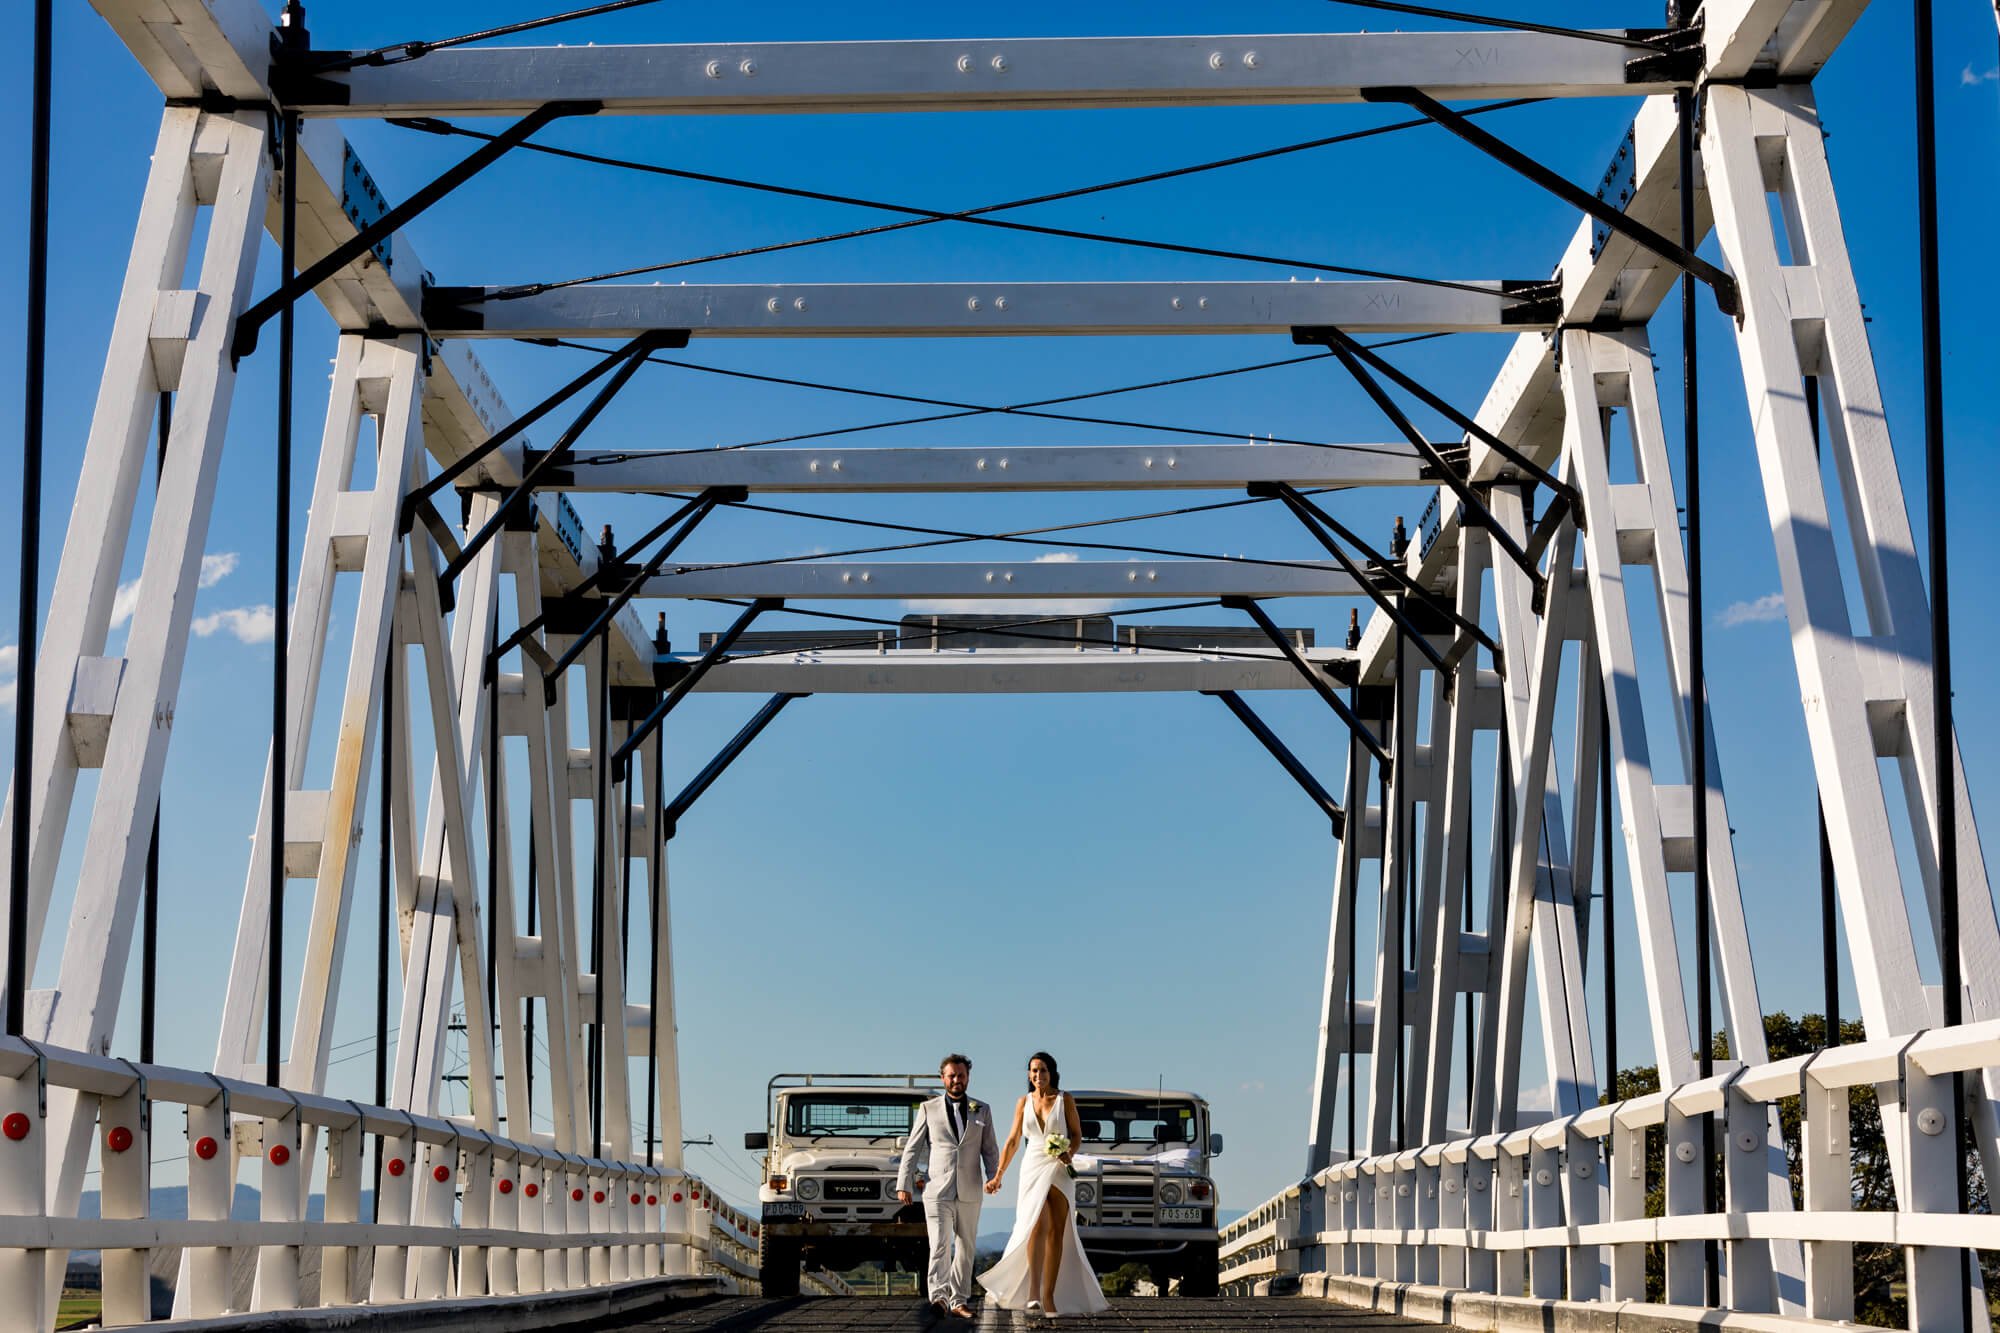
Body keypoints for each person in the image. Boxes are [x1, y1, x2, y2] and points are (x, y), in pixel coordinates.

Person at [977, 1052, 1109, 1318]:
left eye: (1044, 1070)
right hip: (1033, 1165)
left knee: (1056, 1231)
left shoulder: (1065, 1099)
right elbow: (1013, 1140)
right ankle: (1033, 1293)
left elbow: (1077, 1135)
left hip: (1059, 1168)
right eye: (1034, 1071)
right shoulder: (1022, 1102)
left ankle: (1049, 1296)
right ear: (1029, 1075)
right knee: (1034, 1224)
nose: (1039, 1075)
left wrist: (1068, 1154)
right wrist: (998, 1175)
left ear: (1052, 1073)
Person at [896, 1053, 999, 1318]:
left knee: (966, 1247)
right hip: (937, 1191)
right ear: (943, 1078)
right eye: (951, 1075)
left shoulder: (982, 1109)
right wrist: (903, 1182)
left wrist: (993, 1176)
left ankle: (959, 1300)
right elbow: (912, 1148)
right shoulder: (928, 1109)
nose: (956, 1080)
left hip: (970, 1190)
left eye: (961, 1075)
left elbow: (990, 1149)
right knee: (940, 1245)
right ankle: (939, 1298)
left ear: (968, 1077)